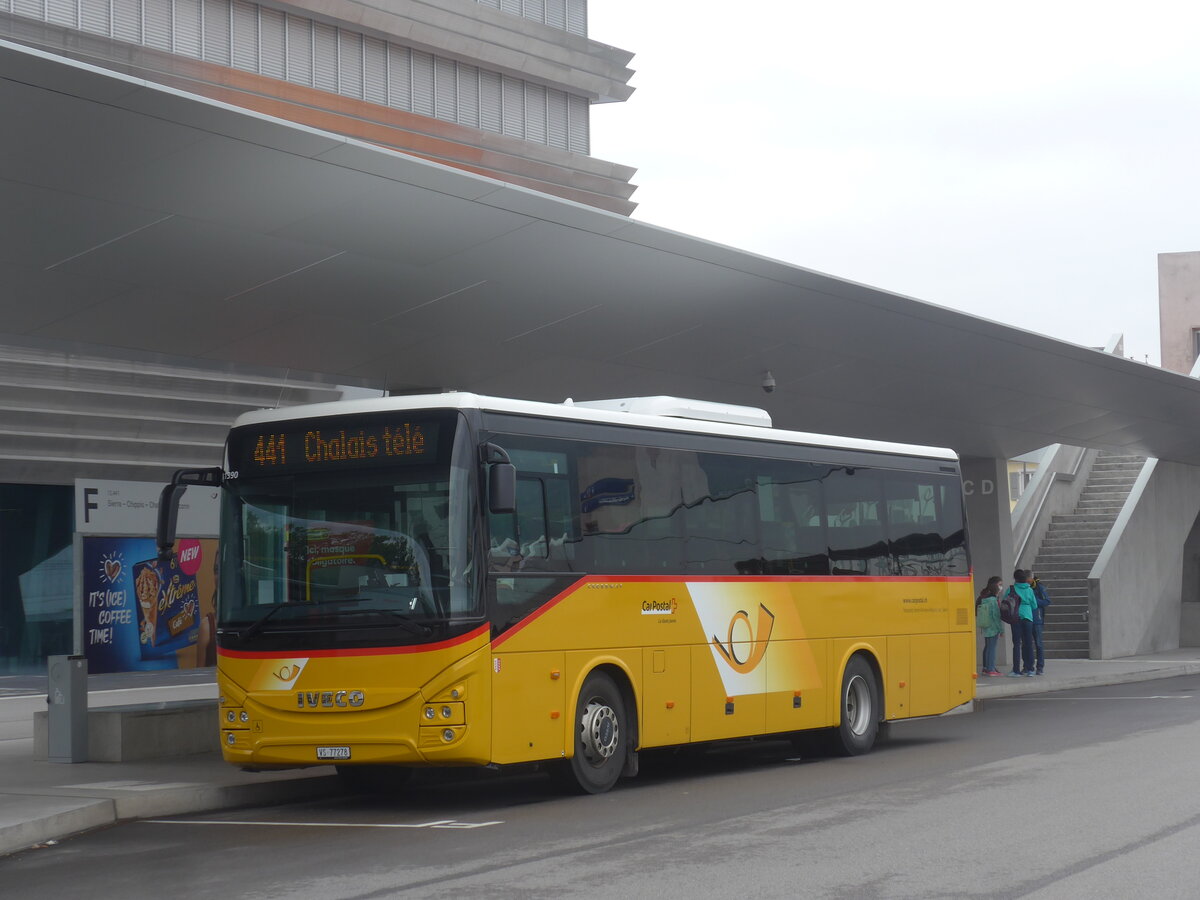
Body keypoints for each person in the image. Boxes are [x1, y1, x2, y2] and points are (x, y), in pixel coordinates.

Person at [1005, 569, 1038, 677]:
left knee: (1017, 644)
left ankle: (1016, 670)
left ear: (1015, 578)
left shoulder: (1011, 589)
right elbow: (1034, 605)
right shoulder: (1029, 589)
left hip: (1015, 617)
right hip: (1028, 617)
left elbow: (1005, 602)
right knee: (1028, 643)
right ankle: (1030, 669)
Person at [975, 575, 1004, 676]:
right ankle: (991, 669)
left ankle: (986, 667)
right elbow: (996, 616)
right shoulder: (993, 600)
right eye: (1000, 585)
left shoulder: (983, 597)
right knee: (991, 648)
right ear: (994, 586)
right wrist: (1001, 630)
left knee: (987, 647)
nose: (1001, 587)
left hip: (986, 626)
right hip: (993, 627)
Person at [1030, 572, 1051, 675]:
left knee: (1039, 644)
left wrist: (1034, 601)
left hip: (1037, 620)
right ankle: (1028, 666)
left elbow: (1047, 601)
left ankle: (1040, 667)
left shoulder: (1039, 587)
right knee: (1027, 644)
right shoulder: (1024, 588)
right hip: (1027, 618)